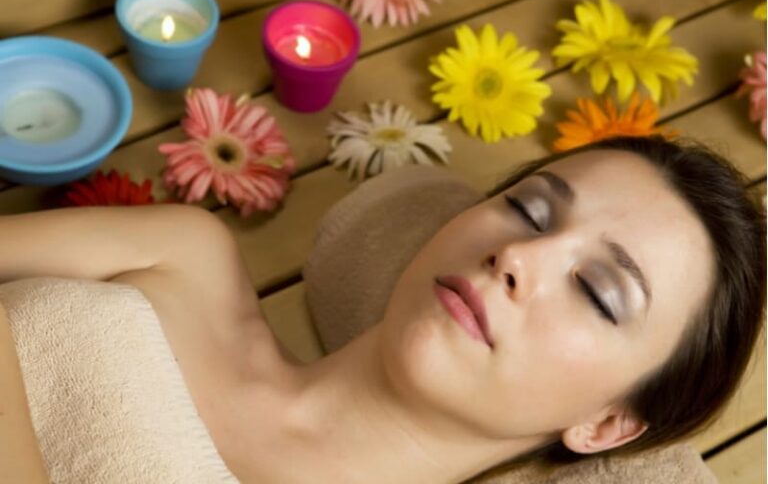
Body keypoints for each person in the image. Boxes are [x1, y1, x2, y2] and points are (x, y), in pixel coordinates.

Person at [0, 135, 764, 484]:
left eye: (598, 292)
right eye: (531, 210)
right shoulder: (183, 253)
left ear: (604, 425)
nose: (520, 258)